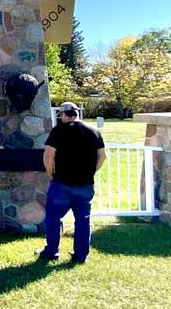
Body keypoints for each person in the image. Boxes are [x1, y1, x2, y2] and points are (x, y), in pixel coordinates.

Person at [36, 102, 106, 263]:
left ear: (64, 115)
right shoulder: (94, 131)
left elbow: (48, 155)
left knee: (53, 217)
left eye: (60, 115)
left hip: (62, 183)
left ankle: (51, 251)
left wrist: (50, 173)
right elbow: (102, 156)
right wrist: (92, 172)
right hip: (86, 185)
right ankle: (80, 255)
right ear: (76, 113)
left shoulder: (59, 130)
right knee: (83, 220)